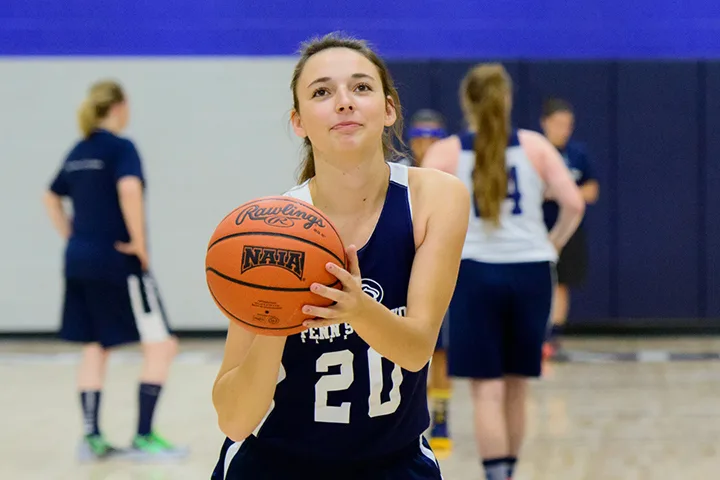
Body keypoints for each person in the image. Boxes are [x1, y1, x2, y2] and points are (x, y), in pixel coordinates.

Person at [210, 33, 470, 480]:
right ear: (298, 122)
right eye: (322, 92)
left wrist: (356, 307)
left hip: (394, 463)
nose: (344, 102)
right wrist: (277, 315)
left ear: (389, 109)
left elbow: (415, 350)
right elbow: (234, 420)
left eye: (361, 87)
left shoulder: (434, 198)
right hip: (277, 464)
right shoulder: (267, 231)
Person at [423, 64, 584, 480]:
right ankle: (511, 472)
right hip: (531, 272)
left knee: (486, 391)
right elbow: (574, 204)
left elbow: (419, 213)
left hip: (474, 273)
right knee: (516, 385)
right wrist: (554, 242)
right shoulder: (535, 146)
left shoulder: (447, 152)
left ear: (467, 102)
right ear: (507, 100)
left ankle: (496, 475)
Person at [43, 80, 186, 461]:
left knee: (95, 346)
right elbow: (129, 190)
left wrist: (71, 234)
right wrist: (139, 244)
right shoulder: (122, 148)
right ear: (119, 107)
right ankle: (143, 437)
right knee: (161, 344)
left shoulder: (78, 150)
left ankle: (91, 438)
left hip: (78, 259)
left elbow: (49, 195)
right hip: (118, 260)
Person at [539, 98, 600, 359]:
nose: (564, 129)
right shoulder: (535, 151)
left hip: (568, 231)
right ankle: (533, 334)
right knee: (538, 283)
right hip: (538, 228)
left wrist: (566, 192)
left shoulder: (578, 154)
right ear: (545, 124)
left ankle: (553, 336)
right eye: (558, 123)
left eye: (568, 124)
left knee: (562, 283)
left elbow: (591, 190)